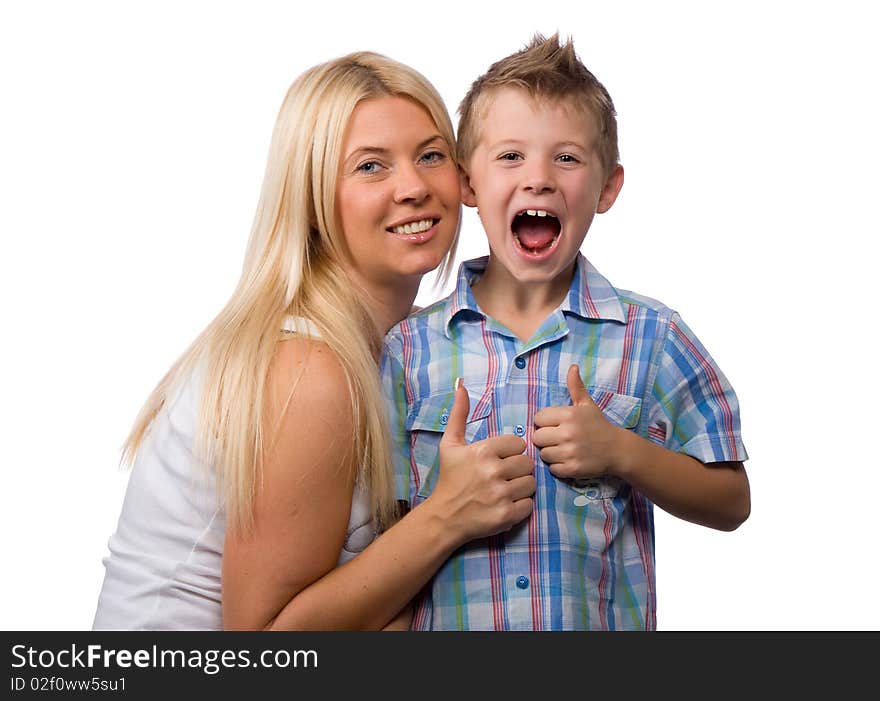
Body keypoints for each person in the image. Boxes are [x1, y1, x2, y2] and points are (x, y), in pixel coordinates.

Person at [93, 51, 537, 631]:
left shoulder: (413, 345)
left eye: (431, 156)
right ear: (310, 200)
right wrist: (447, 517)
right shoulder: (309, 369)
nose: (414, 187)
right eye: (371, 167)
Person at [380, 34, 751, 631]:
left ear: (607, 188)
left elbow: (733, 500)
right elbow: (383, 536)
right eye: (509, 157)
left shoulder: (652, 337)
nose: (539, 180)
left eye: (568, 158)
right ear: (467, 183)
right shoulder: (407, 350)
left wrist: (623, 452)